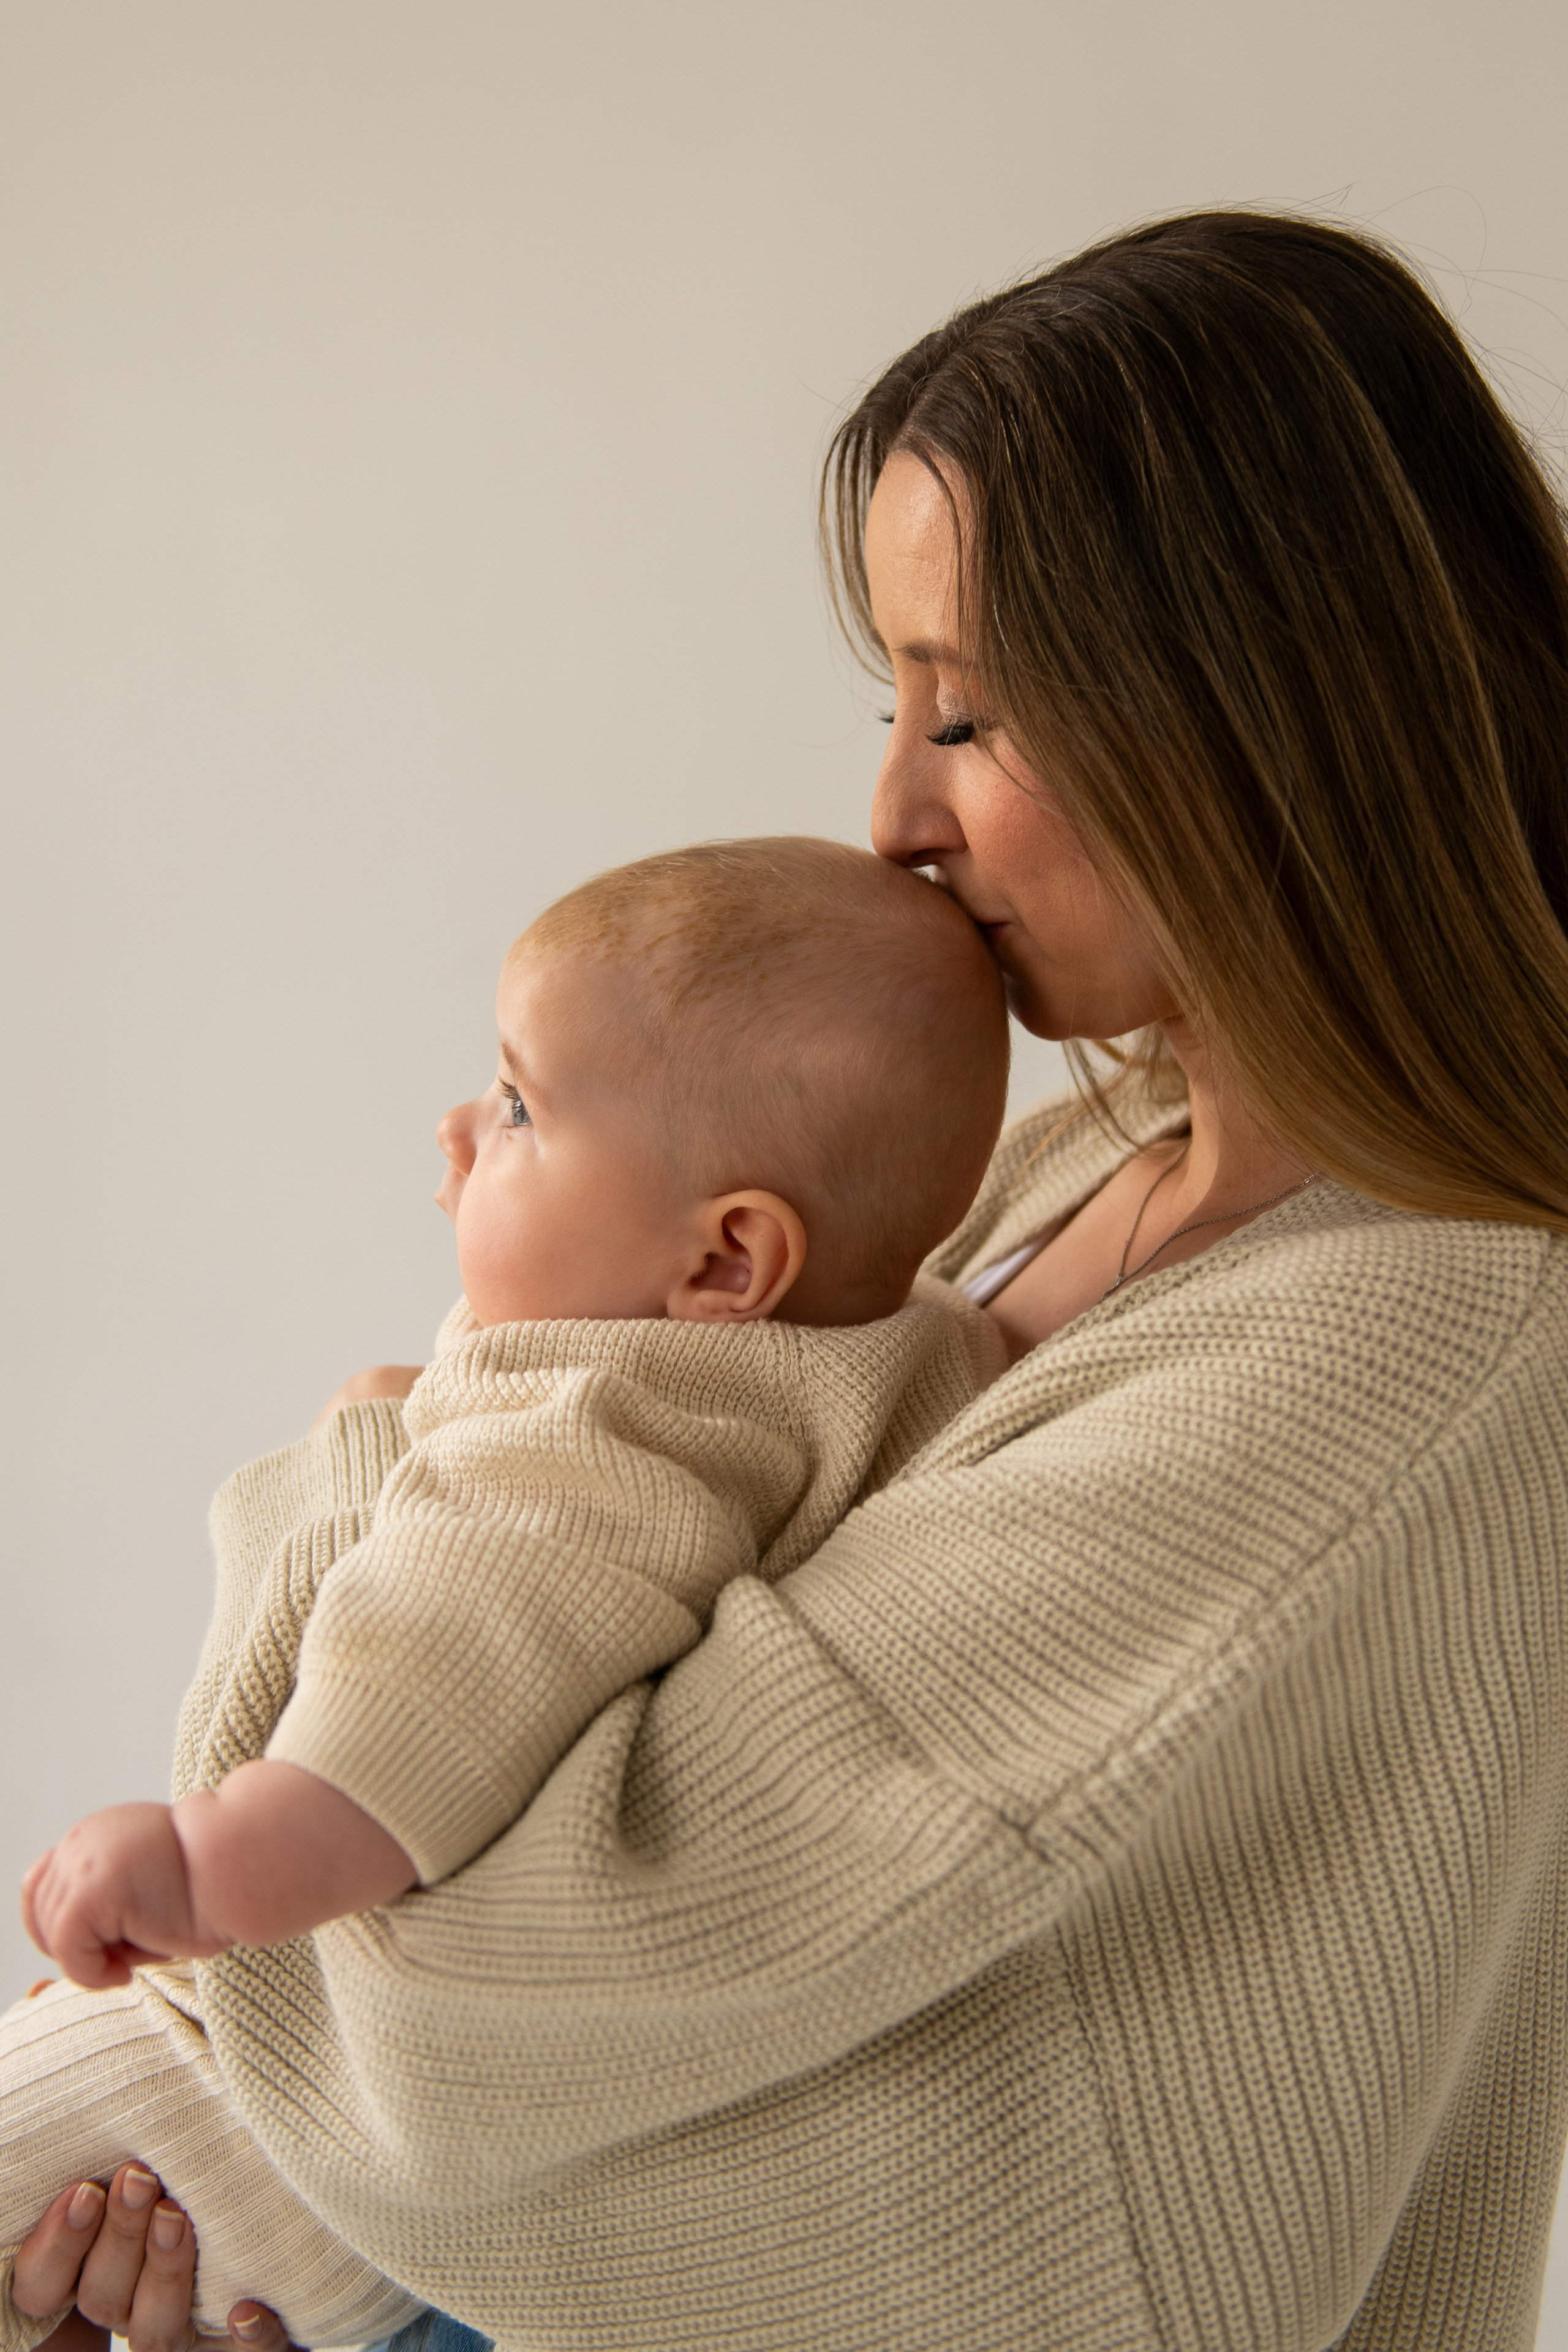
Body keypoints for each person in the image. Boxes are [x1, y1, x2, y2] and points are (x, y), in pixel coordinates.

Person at [14, 206, 1568, 2352]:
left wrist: (359, 1463)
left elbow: (453, 2007)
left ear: (1255, 709)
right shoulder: (1089, 1154)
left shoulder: (1399, 1344)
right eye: (895, 700)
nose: (890, 818)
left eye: (973, 713)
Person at [4, 838, 1008, 2346]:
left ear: (728, 1259)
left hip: (241, 2088)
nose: (462, 1127)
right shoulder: (912, 1350)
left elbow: (421, 1688)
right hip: (385, 2212)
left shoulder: (587, 1440)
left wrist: (202, 1872)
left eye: (524, 1106)